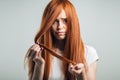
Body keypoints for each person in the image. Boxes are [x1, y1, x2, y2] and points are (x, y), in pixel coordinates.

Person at [24, 0, 99, 80]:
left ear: (72, 22)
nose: (60, 26)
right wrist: (39, 65)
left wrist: (81, 76)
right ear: (47, 24)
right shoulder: (36, 53)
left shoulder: (89, 53)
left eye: (65, 21)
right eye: (54, 21)